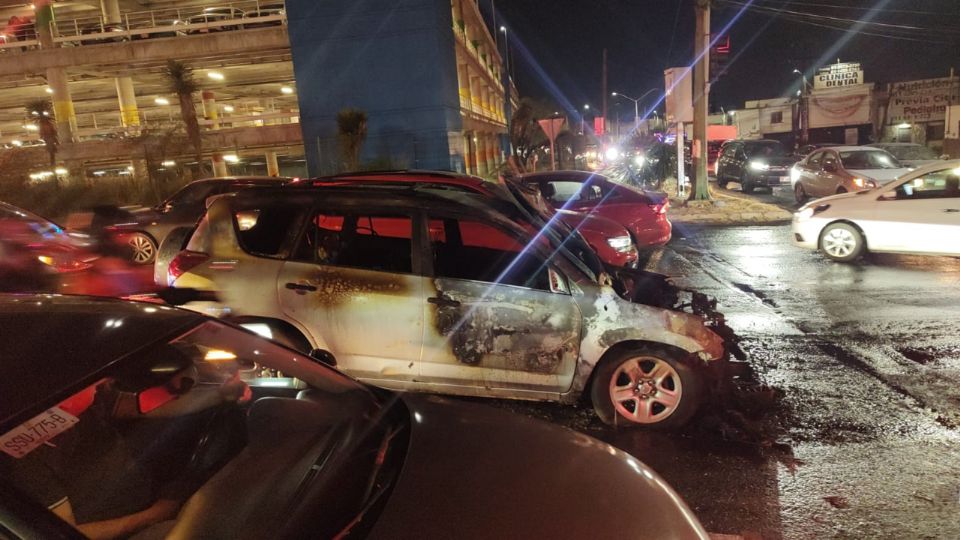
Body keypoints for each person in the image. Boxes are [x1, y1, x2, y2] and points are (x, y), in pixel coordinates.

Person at [1, 361, 249, 539]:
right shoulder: (22, 454)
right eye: (98, 382)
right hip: (133, 529)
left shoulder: (82, 400)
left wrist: (219, 395)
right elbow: (63, 532)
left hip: (151, 497)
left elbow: (144, 407)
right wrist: (156, 514)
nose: (104, 384)